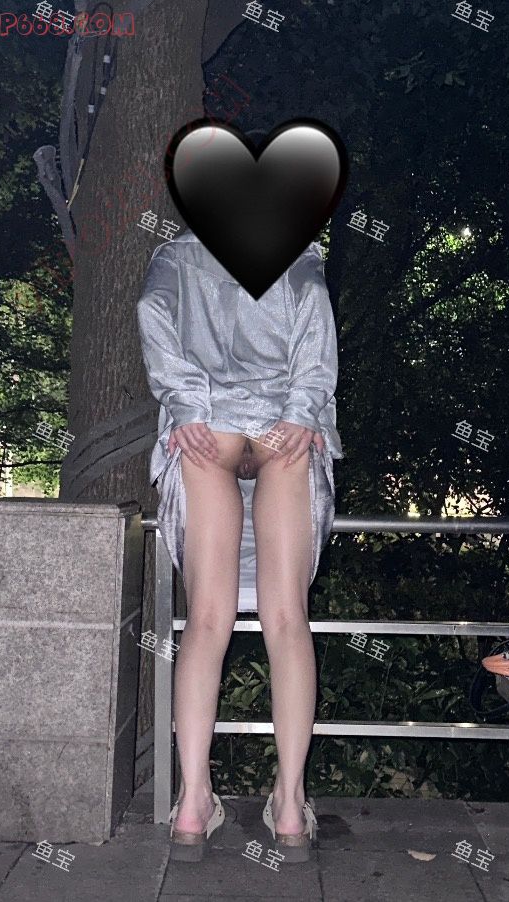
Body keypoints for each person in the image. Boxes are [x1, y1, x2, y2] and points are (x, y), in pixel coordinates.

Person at [136, 148, 343, 863]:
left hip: (211, 432)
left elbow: (151, 313)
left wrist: (188, 404)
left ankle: (193, 804)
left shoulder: (177, 255)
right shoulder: (298, 255)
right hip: (283, 430)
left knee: (206, 622)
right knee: (287, 620)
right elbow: (314, 326)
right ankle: (288, 808)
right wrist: (301, 409)